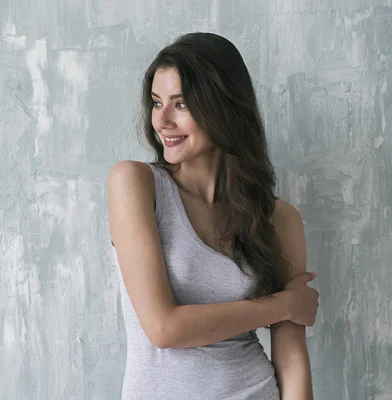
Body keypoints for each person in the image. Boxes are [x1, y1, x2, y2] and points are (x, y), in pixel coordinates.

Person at [107, 32, 320, 400]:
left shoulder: (278, 219)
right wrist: (283, 304)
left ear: (222, 107)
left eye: (182, 104)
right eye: (157, 103)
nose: (163, 121)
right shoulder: (136, 184)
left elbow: (291, 357)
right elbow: (163, 328)